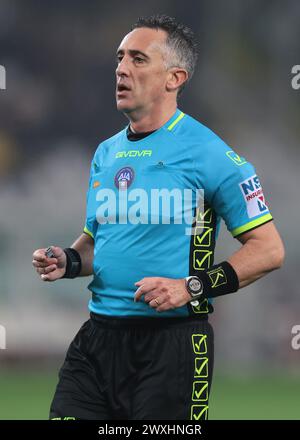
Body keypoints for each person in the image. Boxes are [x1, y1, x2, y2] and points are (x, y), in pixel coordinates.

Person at [32, 14, 285, 421]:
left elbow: (269, 250)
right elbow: (101, 244)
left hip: (173, 346)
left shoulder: (211, 154)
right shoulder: (106, 154)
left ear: (174, 78)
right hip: (97, 341)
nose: (121, 68)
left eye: (137, 59)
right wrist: (70, 260)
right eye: (119, 58)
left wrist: (192, 286)